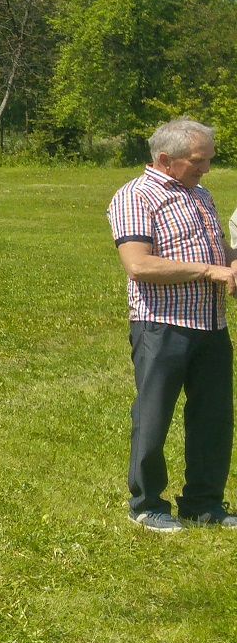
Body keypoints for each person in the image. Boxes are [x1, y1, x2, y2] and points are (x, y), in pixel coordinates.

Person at [109, 117, 237, 531]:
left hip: (211, 324)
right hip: (161, 325)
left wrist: (232, 263)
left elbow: (216, 247)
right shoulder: (136, 196)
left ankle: (204, 504)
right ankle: (147, 505)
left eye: (208, 159)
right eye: (198, 160)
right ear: (166, 159)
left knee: (213, 418)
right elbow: (138, 265)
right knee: (154, 417)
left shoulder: (200, 194)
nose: (206, 168)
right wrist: (208, 271)